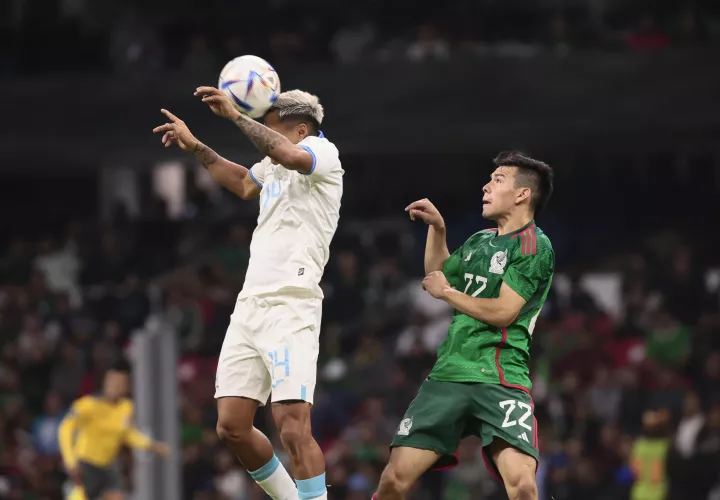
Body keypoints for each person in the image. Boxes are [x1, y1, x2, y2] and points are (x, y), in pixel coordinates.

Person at [153, 87, 343, 500]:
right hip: (250, 304)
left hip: (292, 302)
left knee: (292, 425)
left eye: (270, 129)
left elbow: (289, 155)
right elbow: (242, 182)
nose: (263, 137)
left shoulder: (322, 154)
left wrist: (237, 118)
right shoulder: (274, 164)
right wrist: (196, 146)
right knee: (232, 426)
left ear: (301, 129)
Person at [374, 151, 555, 500]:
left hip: (501, 378)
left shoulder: (536, 245)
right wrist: (438, 228)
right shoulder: (479, 240)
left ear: (522, 194)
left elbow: (504, 311)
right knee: (393, 480)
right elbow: (438, 273)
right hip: (448, 376)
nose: (486, 186)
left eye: (498, 179)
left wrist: (446, 294)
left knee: (523, 486)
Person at [58, 359, 170, 500]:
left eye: (119, 384)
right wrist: (70, 461)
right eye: (112, 383)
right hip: (86, 466)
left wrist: (151, 445)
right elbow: (65, 428)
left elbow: (127, 433)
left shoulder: (126, 407)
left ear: (126, 387)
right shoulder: (88, 405)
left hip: (108, 467)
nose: (114, 387)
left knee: (117, 496)